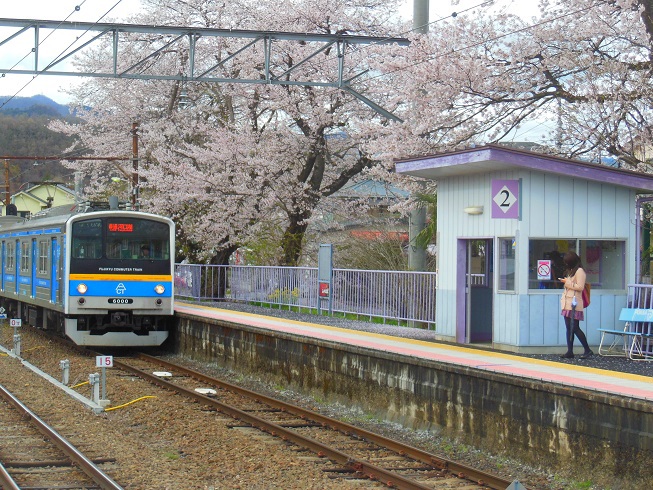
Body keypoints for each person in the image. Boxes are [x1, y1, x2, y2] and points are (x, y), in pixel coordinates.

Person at [558, 251, 593, 359]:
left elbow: (580, 287)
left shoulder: (580, 271)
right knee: (569, 328)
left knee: (575, 327)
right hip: (567, 303)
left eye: (567, 262)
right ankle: (570, 351)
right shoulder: (571, 271)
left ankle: (587, 349)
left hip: (574, 303)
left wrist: (567, 282)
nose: (566, 264)